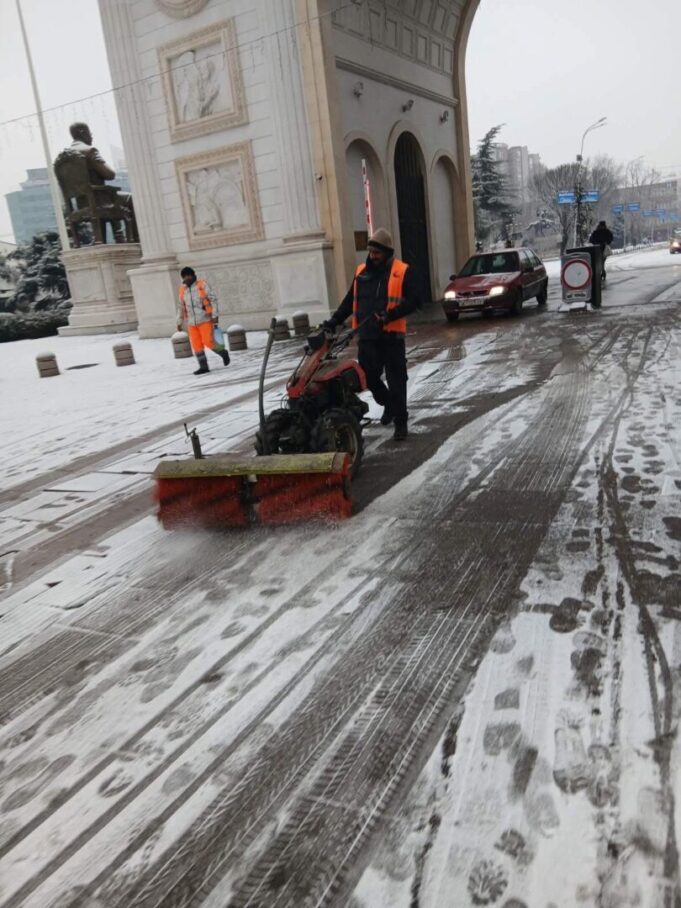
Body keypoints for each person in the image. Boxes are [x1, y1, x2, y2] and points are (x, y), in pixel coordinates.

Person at [319, 228, 420, 441]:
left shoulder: (402, 271)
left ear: (387, 252)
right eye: (371, 252)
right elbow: (349, 301)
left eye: (377, 252)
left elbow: (414, 301)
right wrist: (333, 322)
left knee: (397, 381)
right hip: (367, 337)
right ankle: (388, 403)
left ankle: (400, 422)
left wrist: (390, 315)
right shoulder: (361, 272)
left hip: (391, 337)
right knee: (369, 377)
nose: (373, 256)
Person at [62, 123, 135, 242]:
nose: (91, 137)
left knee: (102, 197)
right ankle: (136, 238)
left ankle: (102, 239)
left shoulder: (63, 159)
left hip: (81, 204)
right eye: (90, 134)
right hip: (100, 201)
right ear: (83, 133)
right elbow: (110, 174)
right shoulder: (89, 151)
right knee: (131, 198)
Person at [177, 267, 230, 375]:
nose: (187, 278)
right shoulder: (182, 289)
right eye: (184, 276)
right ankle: (203, 367)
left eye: (188, 275)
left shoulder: (202, 285)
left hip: (204, 319)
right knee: (196, 345)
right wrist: (179, 321)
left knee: (208, 341)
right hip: (191, 322)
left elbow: (213, 300)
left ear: (193, 275)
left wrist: (215, 315)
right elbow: (181, 307)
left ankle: (223, 353)